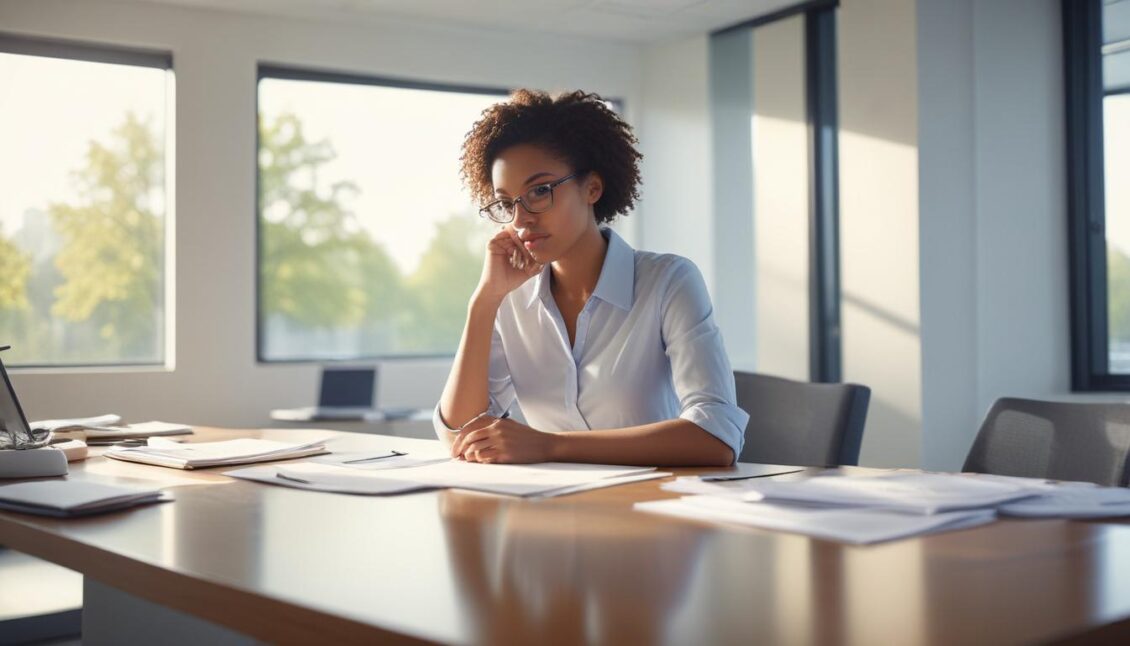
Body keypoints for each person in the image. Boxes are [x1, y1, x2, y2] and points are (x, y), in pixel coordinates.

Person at [434, 89, 748, 466]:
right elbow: (461, 433)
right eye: (506, 203)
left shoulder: (669, 282)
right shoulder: (510, 299)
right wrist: (484, 301)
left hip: (652, 499)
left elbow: (717, 437)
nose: (521, 219)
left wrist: (550, 446)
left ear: (592, 188)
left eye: (540, 191)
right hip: (546, 500)